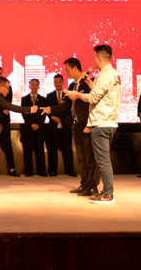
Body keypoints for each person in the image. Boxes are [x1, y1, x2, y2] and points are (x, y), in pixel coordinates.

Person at [65, 45, 121, 204]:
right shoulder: (113, 74)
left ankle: (108, 194)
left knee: (102, 161)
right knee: (102, 160)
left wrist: (77, 95)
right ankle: (106, 191)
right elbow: (101, 94)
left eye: (95, 58)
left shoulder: (104, 75)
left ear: (100, 59)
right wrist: (90, 83)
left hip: (101, 123)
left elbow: (93, 98)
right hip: (108, 122)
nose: (94, 61)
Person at [64, 58, 98, 196]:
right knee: (81, 157)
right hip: (77, 124)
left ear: (75, 68)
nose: (66, 72)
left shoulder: (88, 82)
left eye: (67, 69)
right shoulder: (73, 85)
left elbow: (93, 104)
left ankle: (92, 186)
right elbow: (69, 105)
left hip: (87, 124)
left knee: (90, 157)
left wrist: (90, 123)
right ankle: (84, 184)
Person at [46, 74, 76, 177]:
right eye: (55, 82)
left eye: (59, 82)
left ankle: (70, 170)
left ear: (63, 82)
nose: (57, 84)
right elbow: (47, 109)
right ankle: (53, 170)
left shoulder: (68, 95)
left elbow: (71, 110)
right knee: (52, 149)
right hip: (53, 126)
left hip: (65, 125)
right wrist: (52, 117)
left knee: (67, 148)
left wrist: (63, 120)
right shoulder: (49, 95)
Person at [20, 79, 47, 177]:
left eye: (36, 85)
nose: (34, 86)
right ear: (29, 86)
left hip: (40, 128)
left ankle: (41, 171)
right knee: (27, 150)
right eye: (32, 84)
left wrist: (38, 124)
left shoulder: (43, 99)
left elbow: (43, 114)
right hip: (28, 128)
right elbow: (24, 113)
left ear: (38, 86)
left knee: (40, 150)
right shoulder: (24, 99)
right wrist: (31, 124)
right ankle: (28, 171)